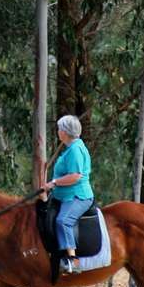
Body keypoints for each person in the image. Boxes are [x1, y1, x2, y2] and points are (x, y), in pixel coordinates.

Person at [44, 115, 94, 274]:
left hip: (78, 195)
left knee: (64, 220)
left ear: (65, 132)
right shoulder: (71, 148)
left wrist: (53, 183)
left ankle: (73, 261)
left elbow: (75, 176)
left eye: (59, 129)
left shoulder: (75, 150)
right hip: (63, 196)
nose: (58, 131)